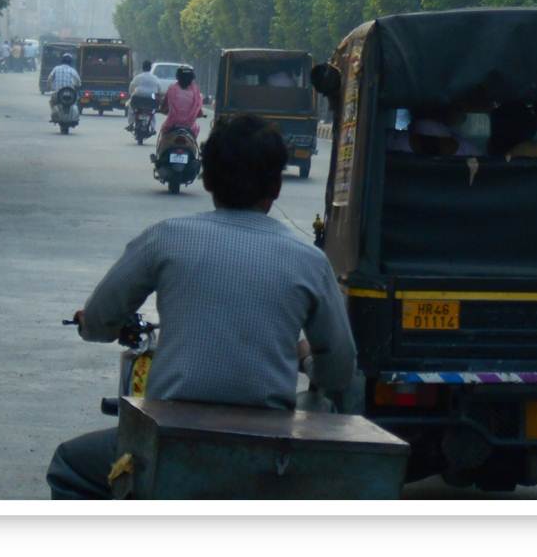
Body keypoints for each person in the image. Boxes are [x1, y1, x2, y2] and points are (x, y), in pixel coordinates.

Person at [46, 114, 357, 499]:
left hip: (166, 440)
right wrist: (307, 359)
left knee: (69, 465)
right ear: (276, 185)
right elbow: (341, 367)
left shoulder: (166, 239)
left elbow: (99, 320)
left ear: (206, 179)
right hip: (267, 452)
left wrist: (91, 326)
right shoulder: (309, 261)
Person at [156, 66, 204, 155]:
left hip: (171, 125)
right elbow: (199, 110)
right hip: (190, 127)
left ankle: (159, 156)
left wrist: (163, 110)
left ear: (178, 77)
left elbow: (164, 107)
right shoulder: (196, 91)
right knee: (194, 141)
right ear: (192, 78)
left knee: (163, 137)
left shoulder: (172, 89)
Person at [126, 60, 162, 135]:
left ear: (142, 68)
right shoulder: (155, 78)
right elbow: (159, 89)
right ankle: (152, 128)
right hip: (151, 100)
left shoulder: (138, 77)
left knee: (130, 107)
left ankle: (131, 124)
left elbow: (131, 86)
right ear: (150, 68)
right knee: (152, 112)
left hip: (138, 98)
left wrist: (131, 94)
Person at [47, 53, 82, 121]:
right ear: (71, 62)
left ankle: (54, 115)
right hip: (71, 94)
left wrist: (50, 87)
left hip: (57, 93)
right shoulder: (73, 70)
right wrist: (77, 86)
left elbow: (49, 79)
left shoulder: (56, 68)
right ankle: (75, 117)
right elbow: (79, 82)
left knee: (52, 102)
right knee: (76, 102)